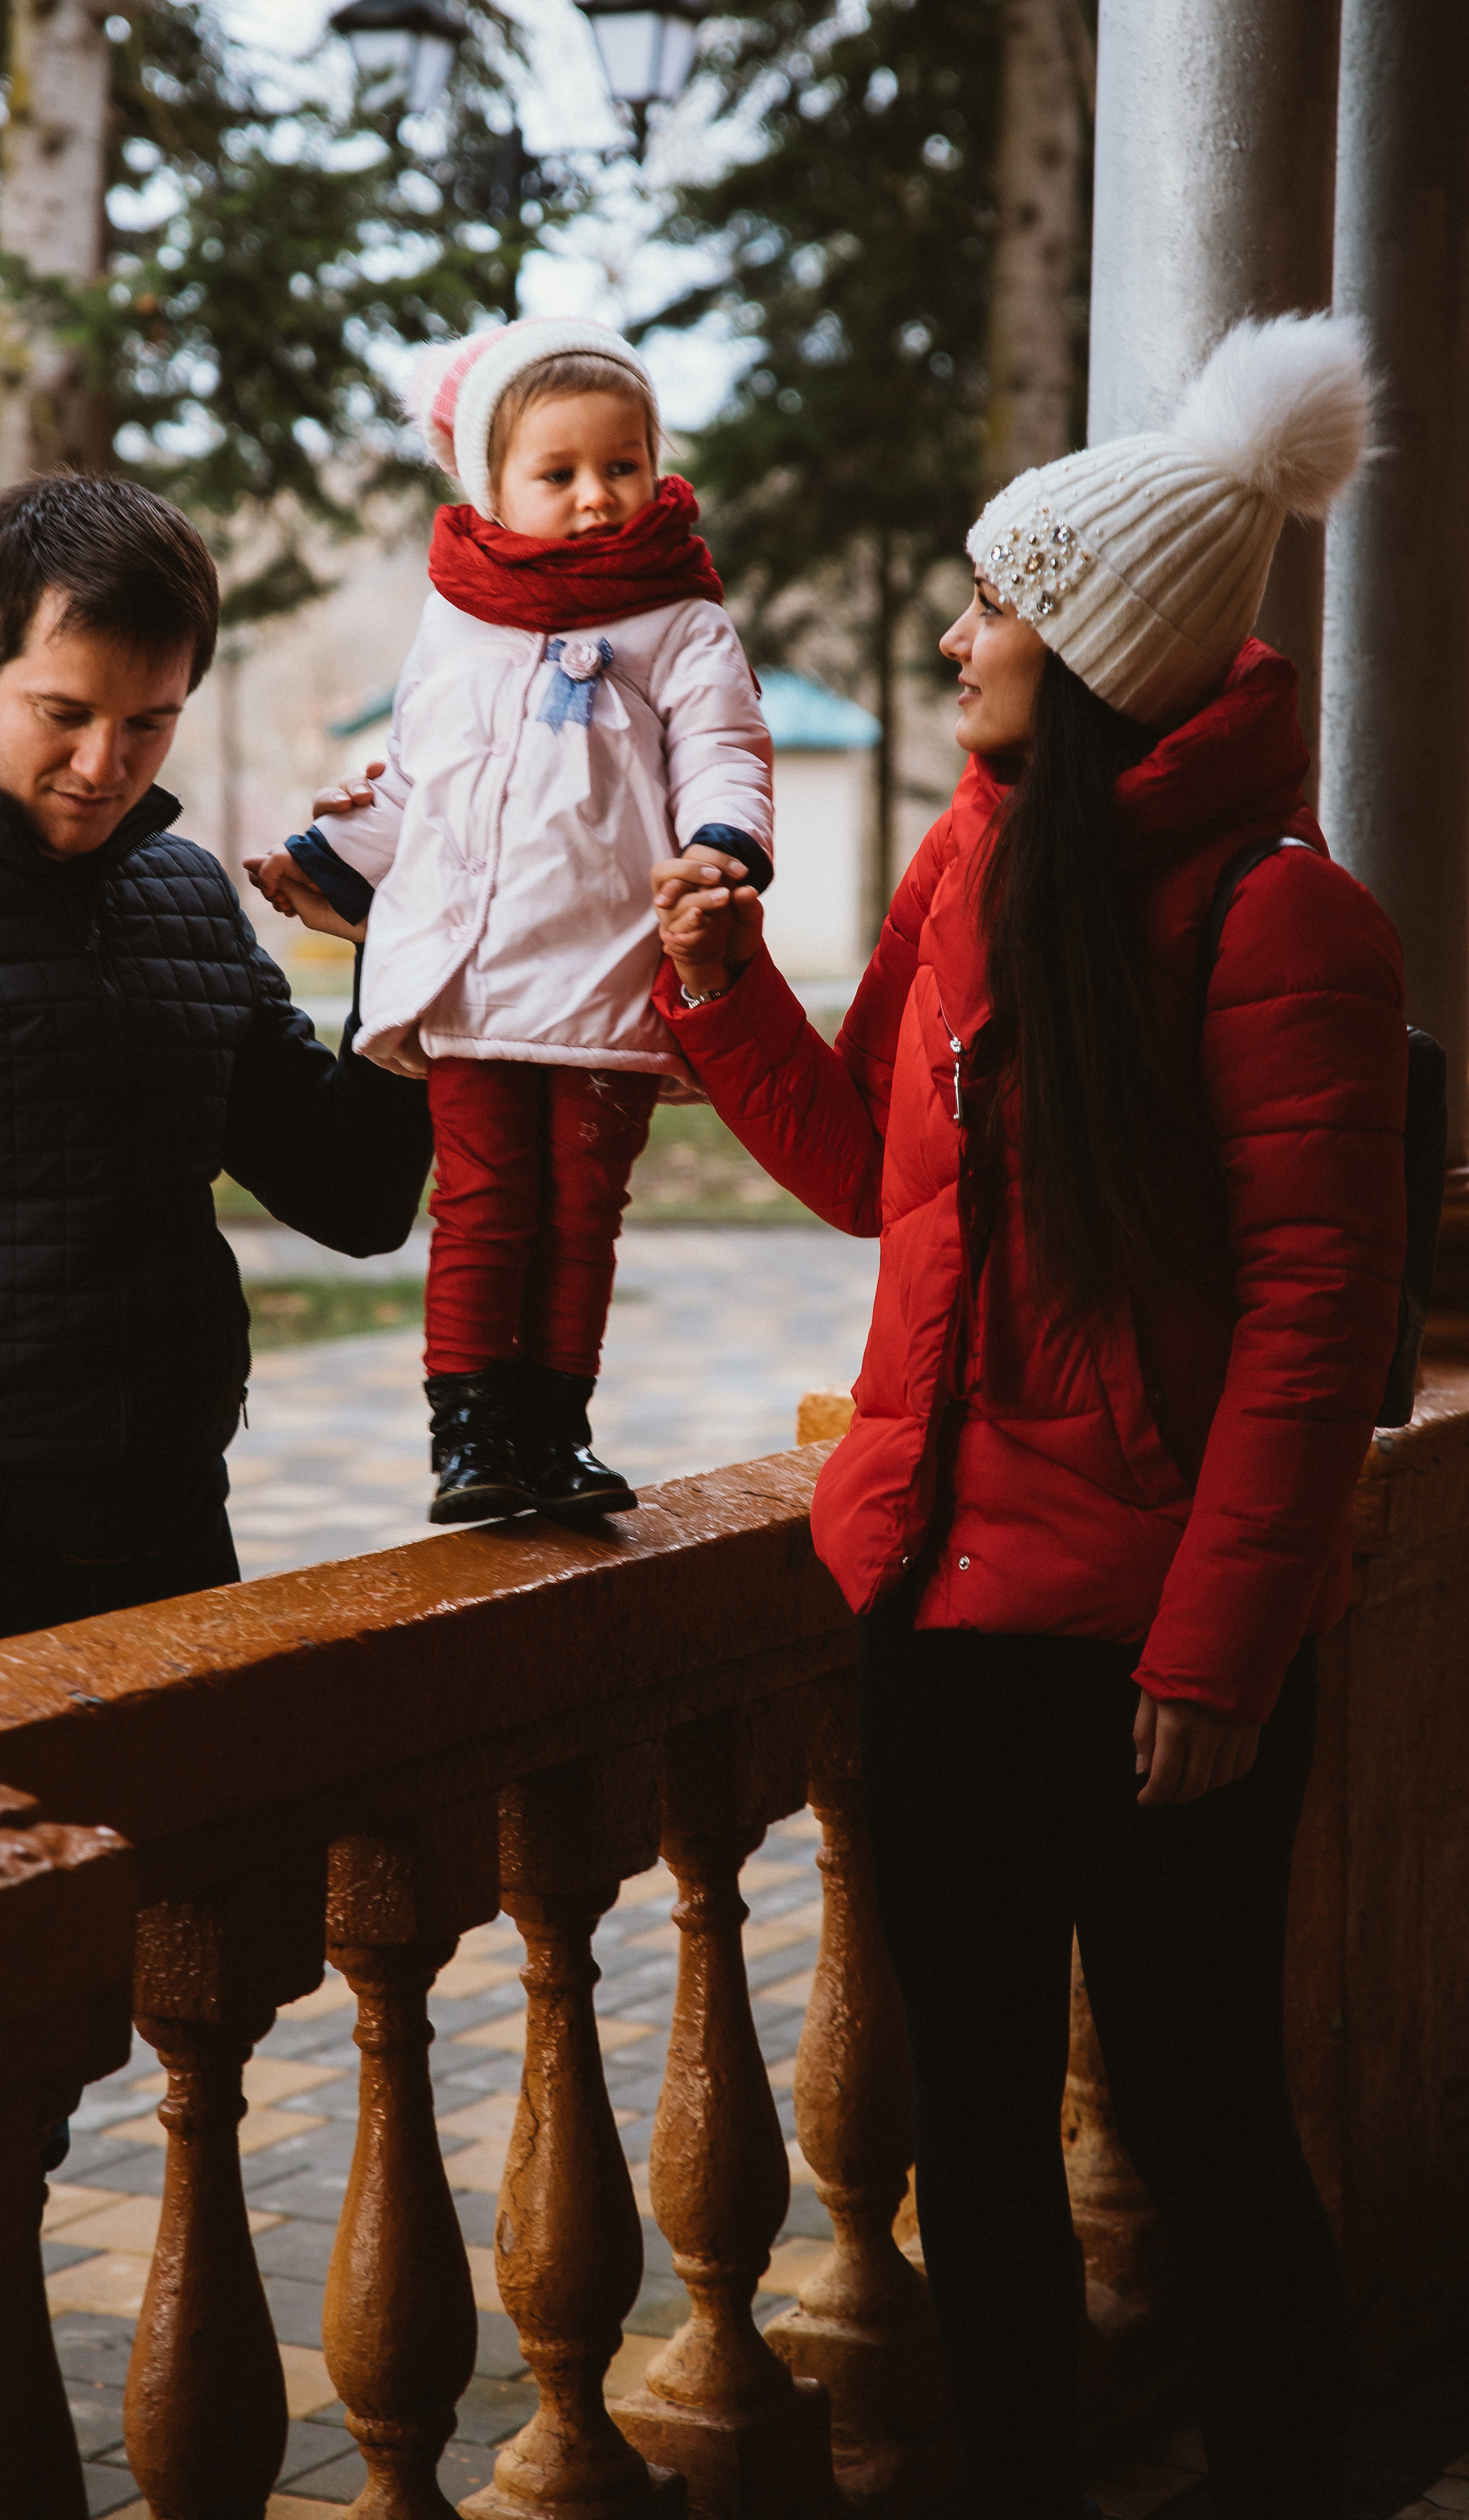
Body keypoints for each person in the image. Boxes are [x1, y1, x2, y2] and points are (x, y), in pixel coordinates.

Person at [651, 313, 1404, 2520]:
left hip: (1154, 1648)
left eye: (999, 604)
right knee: (967, 2124)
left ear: (1092, 651)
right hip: (935, 1600)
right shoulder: (970, 863)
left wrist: (1220, 1649)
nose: (964, 636)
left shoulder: (1290, 926)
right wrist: (718, 1005)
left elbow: (1315, 1321)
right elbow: (860, 1175)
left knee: (1198, 2122)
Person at [0, 471, 434, 1678]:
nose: (105, 763)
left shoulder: (186, 896)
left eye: (149, 722)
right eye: (64, 712)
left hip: (176, 1545)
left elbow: (355, 1200)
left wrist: (396, 955)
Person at [246, 317, 773, 1523]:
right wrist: (329, 855)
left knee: (582, 1212)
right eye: (559, 474)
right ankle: (472, 1432)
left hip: (604, 976)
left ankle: (557, 1427)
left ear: (655, 464)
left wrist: (721, 844)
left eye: (622, 466)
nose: (597, 497)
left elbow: (727, 746)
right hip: (477, 986)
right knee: (483, 1203)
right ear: (494, 484)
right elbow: (426, 786)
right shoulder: (462, 619)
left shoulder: (680, 621)